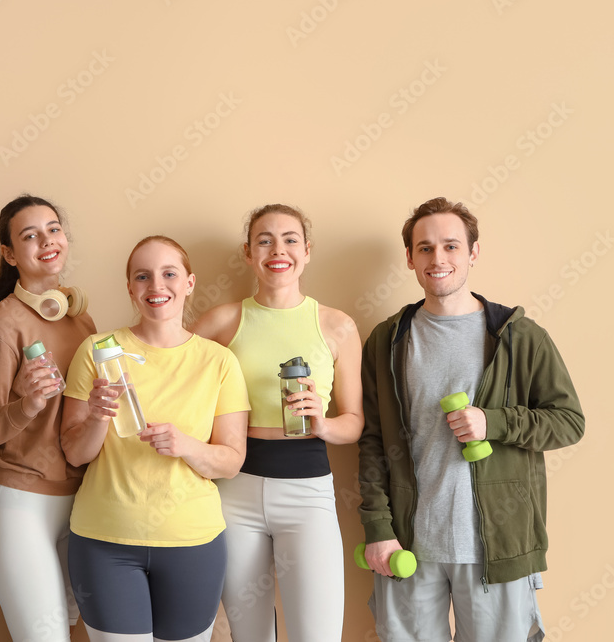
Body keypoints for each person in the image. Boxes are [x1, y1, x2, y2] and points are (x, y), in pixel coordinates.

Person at [357, 197, 585, 641]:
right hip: (407, 545)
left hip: (495, 546)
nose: (437, 259)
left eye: (450, 246)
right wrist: (378, 529)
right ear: (409, 258)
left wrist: (493, 423)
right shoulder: (387, 341)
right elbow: (372, 442)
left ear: (473, 253)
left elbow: (568, 421)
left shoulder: (521, 337)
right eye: (424, 248)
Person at [61, 235, 250, 642]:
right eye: (142, 276)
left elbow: (232, 461)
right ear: (130, 287)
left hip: (192, 543)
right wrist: (96, 416)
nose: (156, 286)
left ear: (190, 282)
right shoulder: (97, 351)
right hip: (103, 541)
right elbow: (75, 454)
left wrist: (187, 446)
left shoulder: (219, 362)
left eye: (169, 274)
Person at [194, 205, 364, 642]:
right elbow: (176, 386)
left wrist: (323, 425)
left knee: (318, 634)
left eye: (290, 239)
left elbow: (355, 422)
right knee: (248, 636)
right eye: (264, 240)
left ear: (306, 252)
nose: (278, 250)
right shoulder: (220, 322)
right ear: (248, 253)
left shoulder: (337, 326)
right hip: (235, 489)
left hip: (308, 490)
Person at [0, 195, 96, 642]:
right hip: (20, 504)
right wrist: (28, 406)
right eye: (30, 235)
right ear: (9, 254)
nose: (47, 241)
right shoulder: (0, 328)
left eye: (54, 229)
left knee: (75, 630)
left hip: (81, 500)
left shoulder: (82, 322)